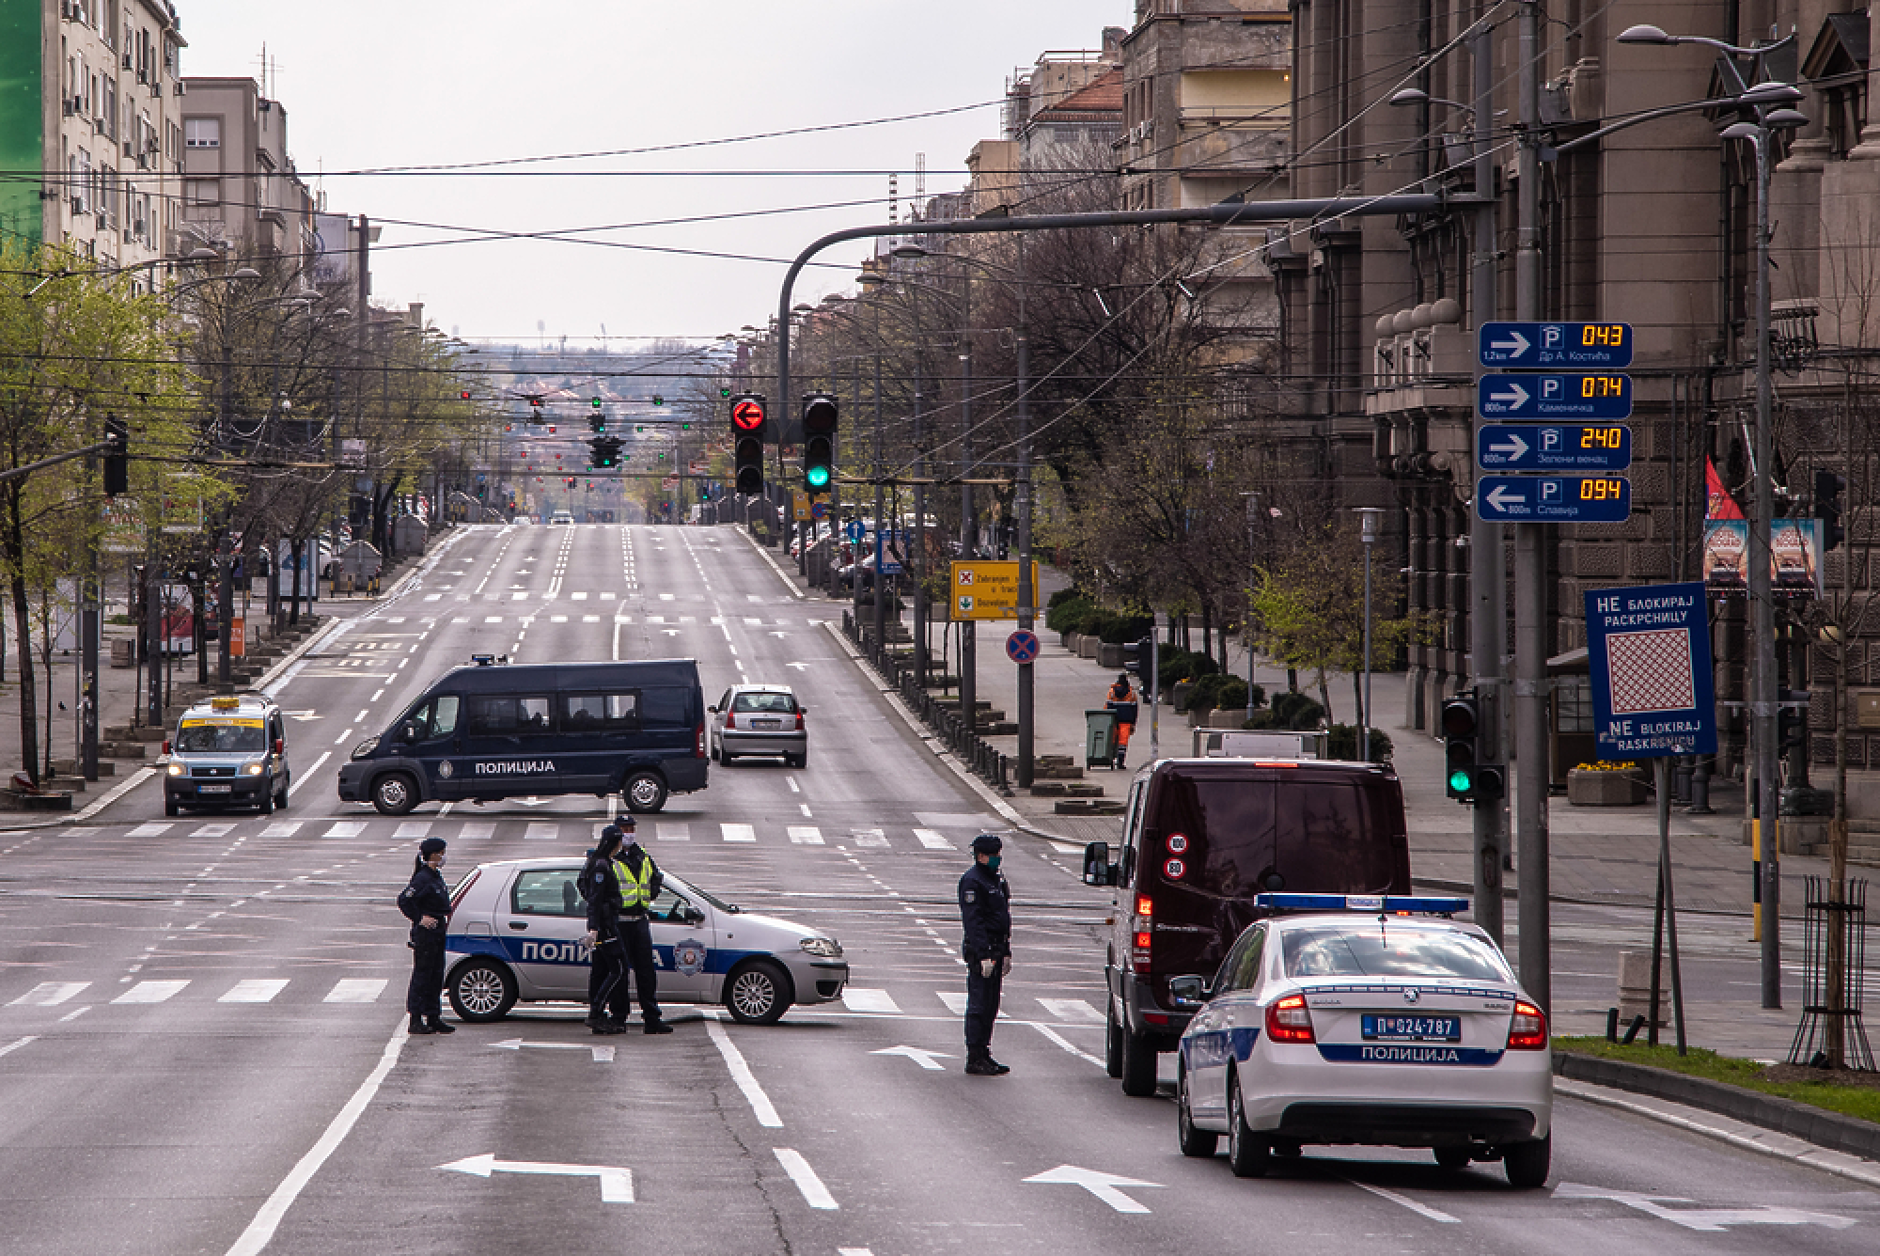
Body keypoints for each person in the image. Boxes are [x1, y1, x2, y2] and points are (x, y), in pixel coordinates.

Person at [587, 815, 673, 1034]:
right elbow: (587, 888)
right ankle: (618, 1017)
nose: (629, 833)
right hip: (617, 922)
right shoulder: (604, 859)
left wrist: (652, 892)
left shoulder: (641, 855)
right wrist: (606, 910)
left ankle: (652, 1019)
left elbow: (656, 876)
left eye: (631, 828)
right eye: (624, 829)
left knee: (646, 972)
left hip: (639, 921)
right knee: (619, 973)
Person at [957, 833, 1012, 1075]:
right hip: (982, 950)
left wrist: (1006, 951)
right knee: (979, 1004)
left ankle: (985, 1052)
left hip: (997, 948)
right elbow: (973, 921)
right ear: (980, 856)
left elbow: (1003, 916)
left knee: (991, 1004)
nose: (997, 859)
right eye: (993, 855)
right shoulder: (973, 881)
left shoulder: (996, 880)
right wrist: (982, 955)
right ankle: (974, 1055)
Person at [398, 836, 455, 1036]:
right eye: (441, 852)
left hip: (438, 930)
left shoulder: (435, 875)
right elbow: (404, 900)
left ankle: (433, 1016)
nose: (443, 856)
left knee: (436, 975)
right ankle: (415, 1019)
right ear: (433, 854)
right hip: (426, 934)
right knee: (422, 976)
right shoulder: (422, 878)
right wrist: (419, 918)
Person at [582, 825, 631, 1034]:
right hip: (606, 926)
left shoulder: (601, 863)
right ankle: (596, 1012)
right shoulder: (601, 866)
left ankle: (599, 1014)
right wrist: (594, 928)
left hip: (606, 924)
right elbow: (595, 899)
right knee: (619, 969)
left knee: (603, 971)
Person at [1106, 672, 1137, 770]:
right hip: (1126, 721)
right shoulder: (1131, 694)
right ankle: (1120, 762)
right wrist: (1133, 723)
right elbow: (1134, 709)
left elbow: (1108, 706)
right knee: (1122, 743)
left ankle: (1110, 760)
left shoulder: (1111, 692)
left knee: (1111, 741)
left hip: (1113, 721)